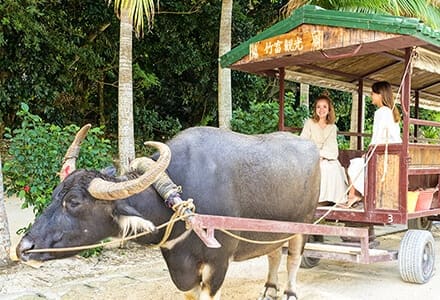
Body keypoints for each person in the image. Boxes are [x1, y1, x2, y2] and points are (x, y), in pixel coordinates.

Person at [346, 81, 402, 207]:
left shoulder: (381, 112)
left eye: (373, 93)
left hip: (382, 154)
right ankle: (354, 195)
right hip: (391, 153)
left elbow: (377, 137)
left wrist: (368, 153)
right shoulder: (392, 112)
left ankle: (356, 195)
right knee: (358, 164)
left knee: (354, 165)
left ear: (380, 95)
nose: (371, 96)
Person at [300, 93, 348, 205]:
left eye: (324, 107)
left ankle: (330, 200)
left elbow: (332, 147)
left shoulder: (332, 127)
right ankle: (316, 200)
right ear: (315, 109)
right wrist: (315, 155)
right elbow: (303, 142)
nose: (321, 109)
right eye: (318, 107)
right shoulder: (309, 123)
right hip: (311, 156)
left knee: (333, 167)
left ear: (329, 109)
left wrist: (322, 155)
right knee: (319, 167)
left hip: (327, 157)